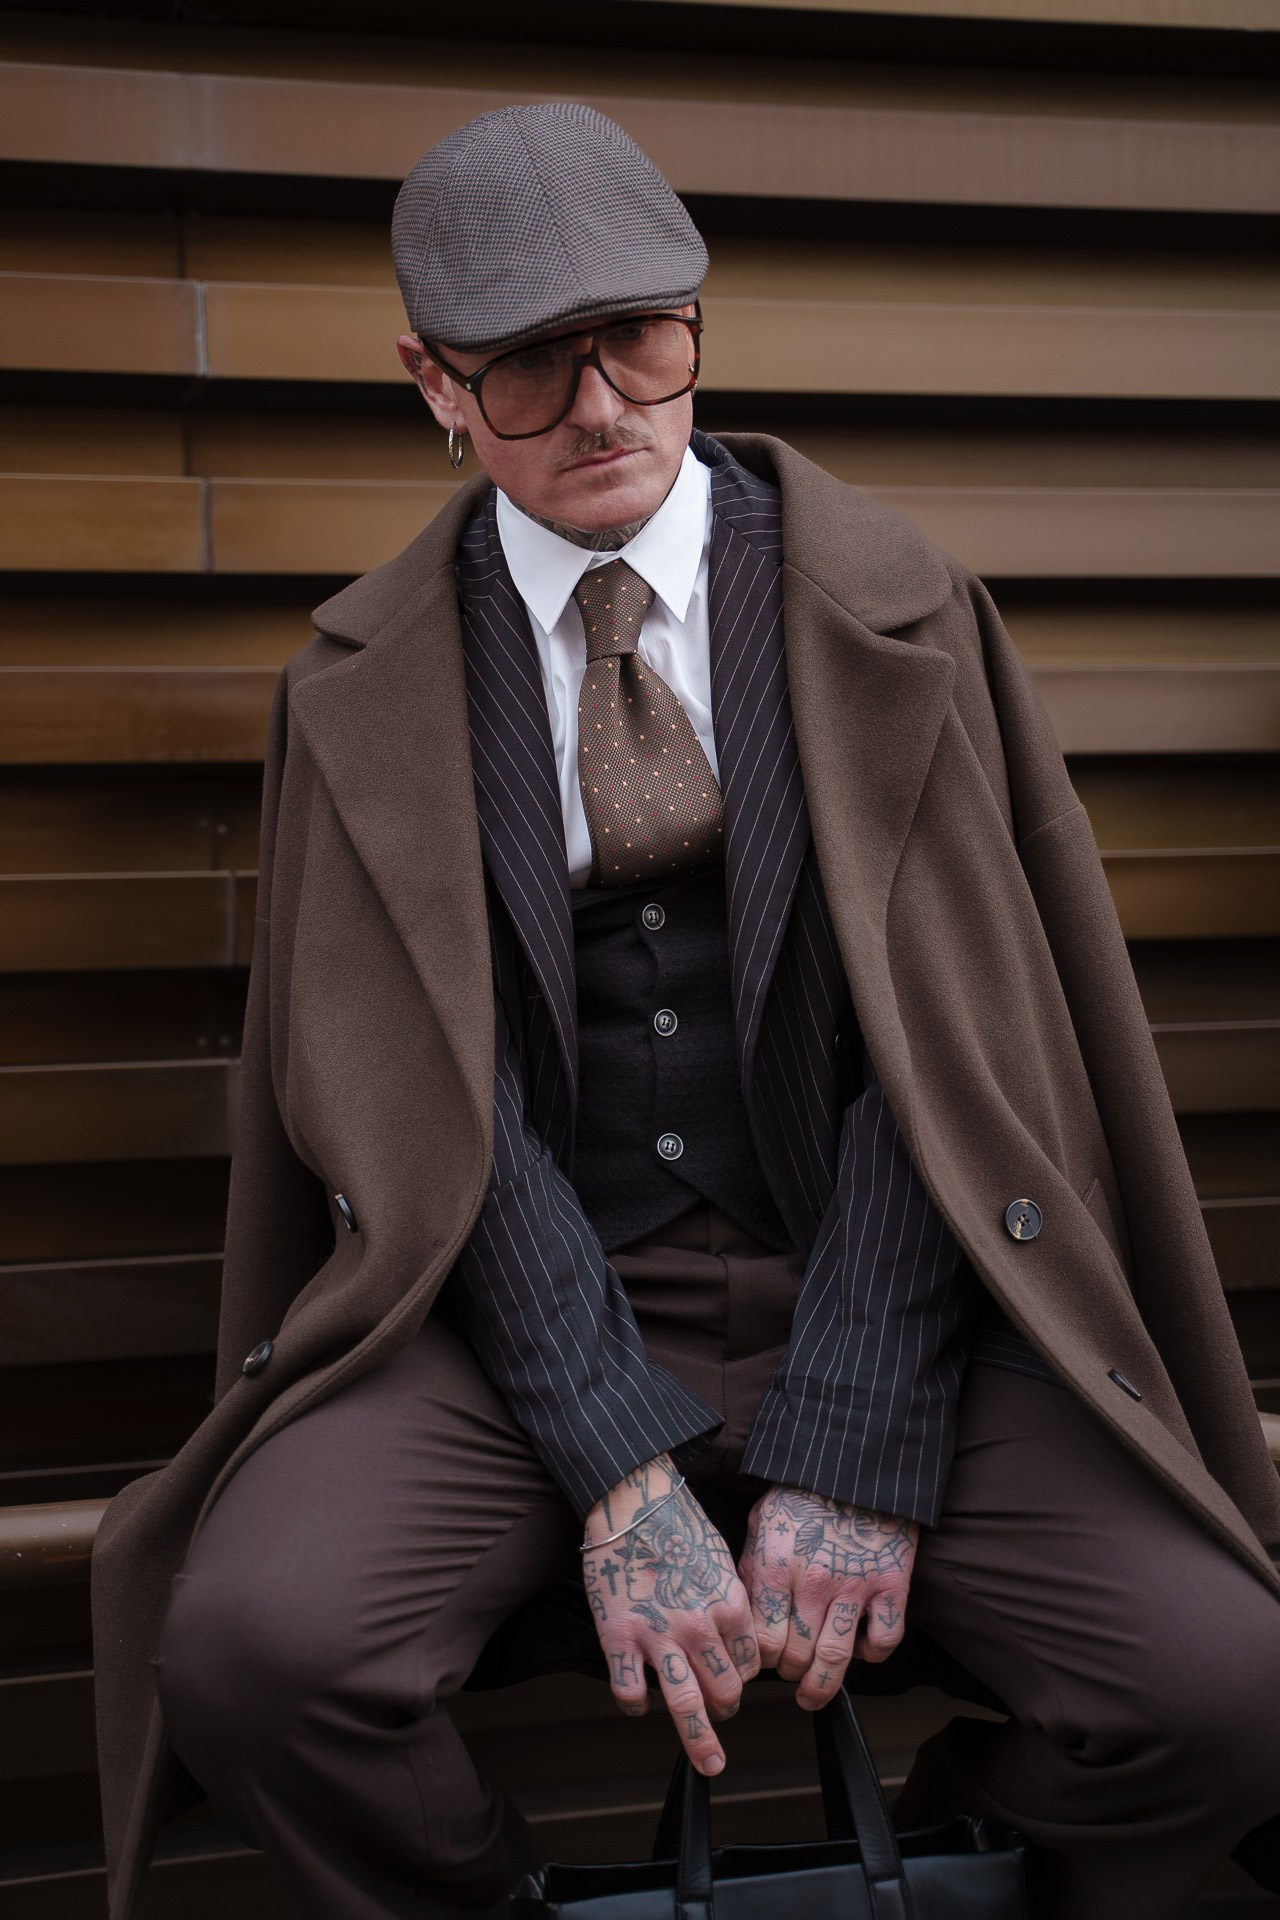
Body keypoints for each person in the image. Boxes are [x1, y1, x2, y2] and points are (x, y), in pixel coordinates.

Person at [91, 104, 1280, 1920]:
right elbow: (413, 1108)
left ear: (697, 321)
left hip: (898, 1281)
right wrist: (607, 1453)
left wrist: (860, 1423)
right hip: (500, 1315)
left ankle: (980, 1860)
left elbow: (970, 1061)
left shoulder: (907, 612)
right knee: (259, 1655)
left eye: (641, 338)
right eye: (528, 365)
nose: (601, 408)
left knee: (1230, 1688)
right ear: (431, 381)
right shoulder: (358, 689)